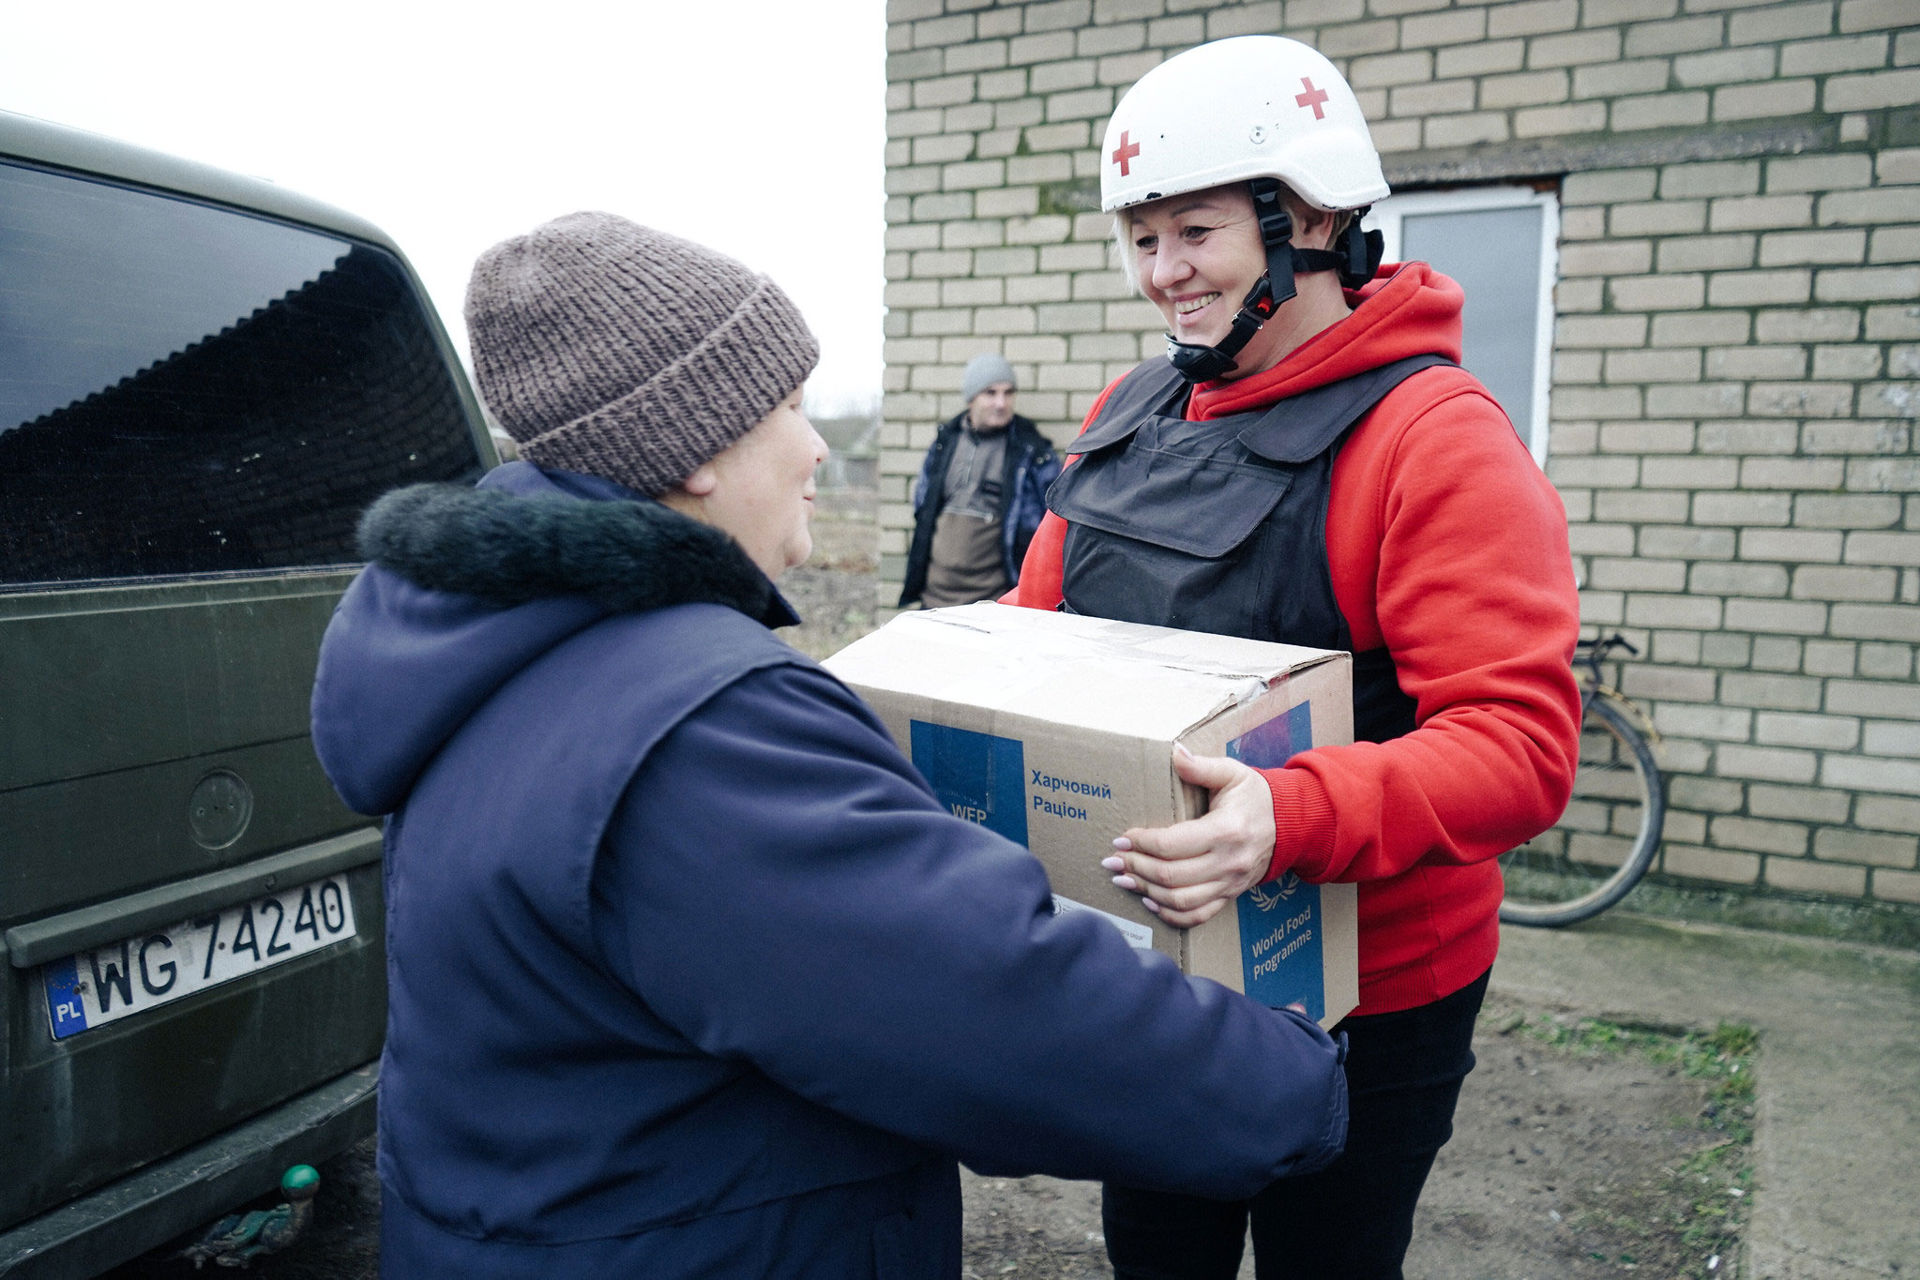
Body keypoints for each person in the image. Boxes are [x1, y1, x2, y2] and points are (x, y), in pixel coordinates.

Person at [308, 212, 1351, 1279]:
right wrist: (1290, 1083)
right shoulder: (699, 724)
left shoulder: (501, 648)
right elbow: (987, 1006)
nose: (817, 449)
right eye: (791, 408)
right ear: (696, 450)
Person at [1004, 36, 1584, 1280]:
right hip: (1163, 964)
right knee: (1158, 1249)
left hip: (1373, 995)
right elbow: (1028, 634)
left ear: (1308, 218)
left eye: (1195, 232)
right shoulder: (1131, 414)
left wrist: (1287, 813)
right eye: (1141, 237)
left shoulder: (1435, 439)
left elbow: (1519, 750)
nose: (1164, 273)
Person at [898, 353, 1060, 608]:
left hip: (993, 604)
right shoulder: (945, 443)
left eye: (1008, 393)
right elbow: (922, 507)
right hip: (935, 599)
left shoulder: (1032, 452)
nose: (1001, 403)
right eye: (990, 393)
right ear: (971, 397)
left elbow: (1051, 527)